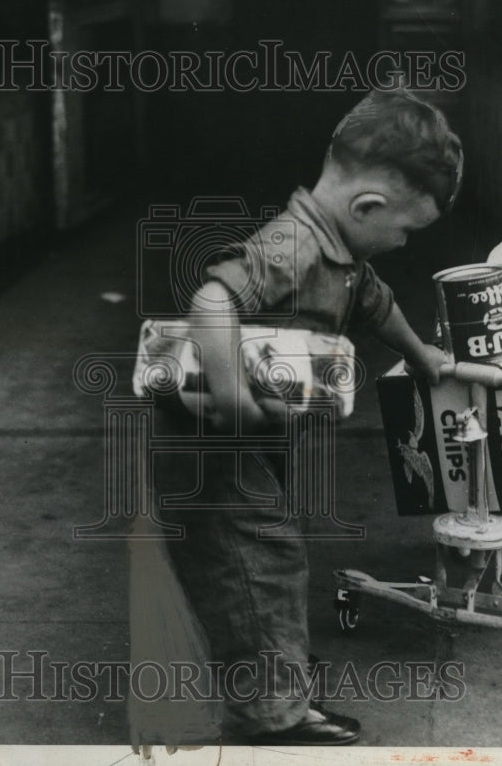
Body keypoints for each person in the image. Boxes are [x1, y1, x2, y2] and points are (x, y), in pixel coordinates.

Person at [145, 88, 463, 746]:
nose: (404, 243)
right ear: (367, 206)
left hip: (249, 445)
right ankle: (271, 711)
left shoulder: (343, 253)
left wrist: (422, 353)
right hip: (212, 446)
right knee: (258, 563)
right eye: (405, 230)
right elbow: (211, 301)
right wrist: (234, 395)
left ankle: (273, 677)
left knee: (263, 560)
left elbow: (375, 304)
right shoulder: (292, 249)